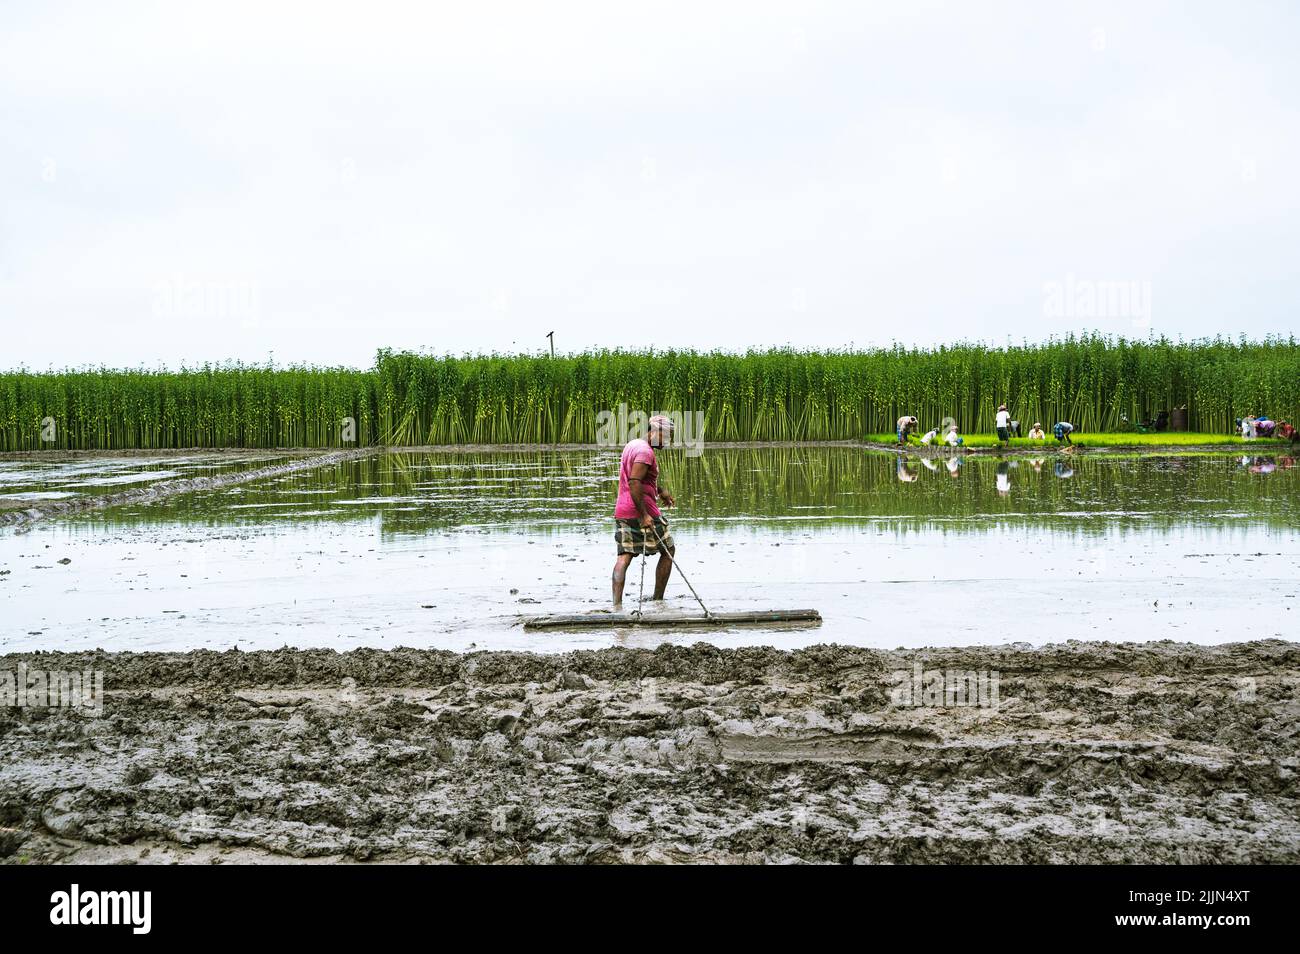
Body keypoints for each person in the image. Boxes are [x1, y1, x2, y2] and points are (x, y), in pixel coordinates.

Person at [611, 415, 677, 607]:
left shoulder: (633, 445)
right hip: (642, 510)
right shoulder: (646, 453)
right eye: (667, 436)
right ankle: (658, 600)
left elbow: (639, 480)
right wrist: (644, 515)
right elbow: (634, 482)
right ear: (655, 432)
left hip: (624, 509)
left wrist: (660, 491)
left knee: (625, 555)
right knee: (668, 550)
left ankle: (617, 605)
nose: (668, 441)